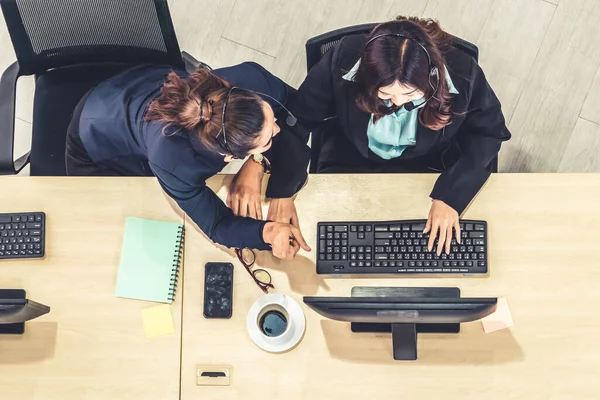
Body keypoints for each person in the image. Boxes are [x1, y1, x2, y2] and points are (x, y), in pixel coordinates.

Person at [287, 16, 511, 255]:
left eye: (409, 94)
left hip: (430, 167)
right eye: (385, 94)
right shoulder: (343, 57)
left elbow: (489, 133)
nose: (397, 103)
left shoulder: (464, 73)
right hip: (350, 159)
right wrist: (282, 188)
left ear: (431, 76)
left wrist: (451, 195)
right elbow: (298, 117)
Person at [65, 62, 311, 260]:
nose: (278, 130)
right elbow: (216, 224)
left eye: (269, 113)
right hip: (97, 135)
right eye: (268, 140)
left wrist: (257, 162)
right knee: (111, 227)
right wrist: (267, 232)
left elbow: (299, 115)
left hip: (139, 86)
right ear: (229, 156)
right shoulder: (174, 163)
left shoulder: (254, 81)